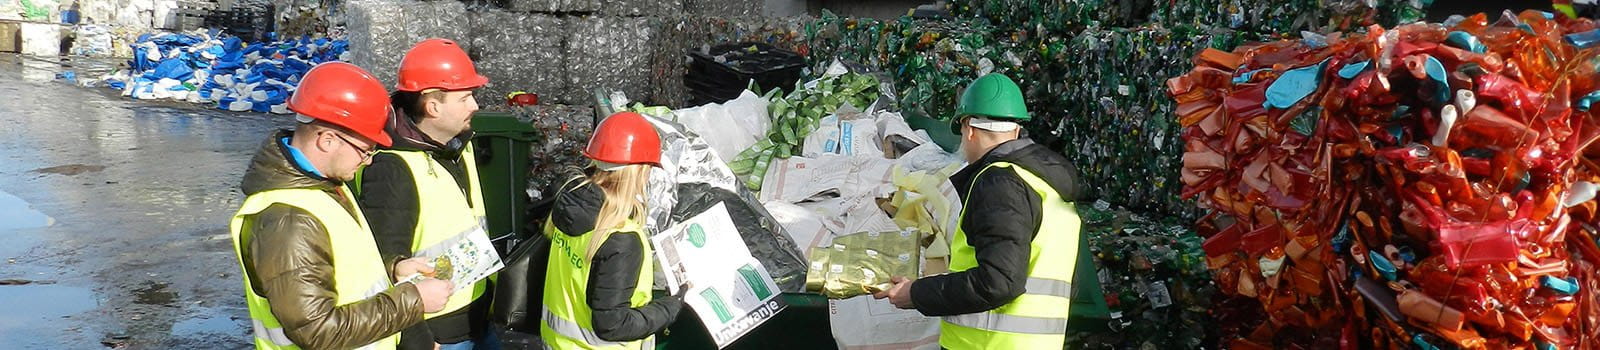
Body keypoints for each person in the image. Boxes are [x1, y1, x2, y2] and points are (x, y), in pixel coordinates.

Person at [227, 62, 455, 350]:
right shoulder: (288, 219)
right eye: (365, 149)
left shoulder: (322, 186)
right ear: (327, 140)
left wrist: (393, 269)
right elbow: (318, 331)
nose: (369, 160)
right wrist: (414, 300)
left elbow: (340, 265)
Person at [874, 73, 1082, 349]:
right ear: (1016, 129)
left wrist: (916, 293)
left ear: (969, 128)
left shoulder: (1000, 182)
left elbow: (998, 281)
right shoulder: (1046, 184)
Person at [355, 38, 498, 350]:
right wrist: (416, 340)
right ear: (432, 105)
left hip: (477, 317)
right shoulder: (391, 170)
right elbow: (383, 266)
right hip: (440, 334)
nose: (475, 105)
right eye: (466, 97)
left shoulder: (457, 145)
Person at [541, 112, 685, 350]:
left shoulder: (570, 206)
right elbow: (613, 325)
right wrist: (672, 306)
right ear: (640, 170)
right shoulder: (621, 238)